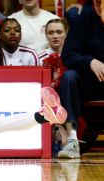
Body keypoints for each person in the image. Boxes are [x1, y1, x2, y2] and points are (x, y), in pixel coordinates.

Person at [58, 0, 104, 159]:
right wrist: (90, 61)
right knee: (69, 77)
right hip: (90, 84)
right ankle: (72, 140)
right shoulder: (83, 22)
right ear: (98, 7)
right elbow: (68, 56)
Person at [39, 18, 68, 90]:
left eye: (59, 32)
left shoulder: (73, 57)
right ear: (46, 35)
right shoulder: (39, 58)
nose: (55, 36)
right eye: (51, 33)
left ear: (66, 33)